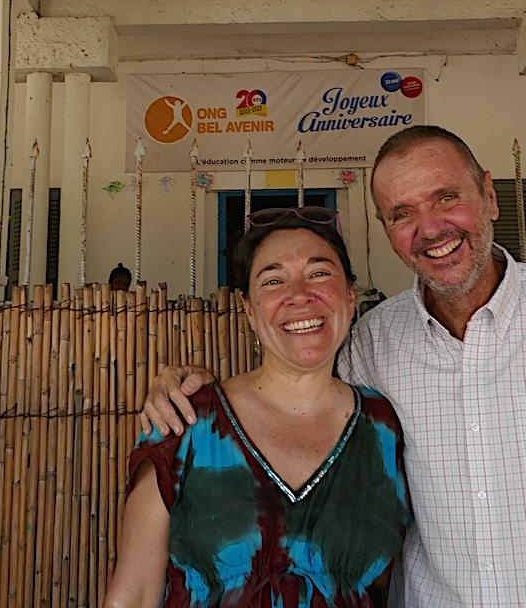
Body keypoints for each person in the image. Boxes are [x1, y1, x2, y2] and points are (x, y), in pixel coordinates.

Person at [142, 126, 526, 608]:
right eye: (403, 213)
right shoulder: (372, 343)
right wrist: (189, 387)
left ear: (489, 196)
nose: (431, 228)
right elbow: (291, 389)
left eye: (446, 198)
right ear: (390, 235)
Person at [108, 208, 411, 608]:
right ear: (249, 310)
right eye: (273, 280)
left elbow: (380, 584)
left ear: (351, 295)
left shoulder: (382, 424)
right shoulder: (186, 421)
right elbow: (134, 595)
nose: (299, 294)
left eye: (319, 273)